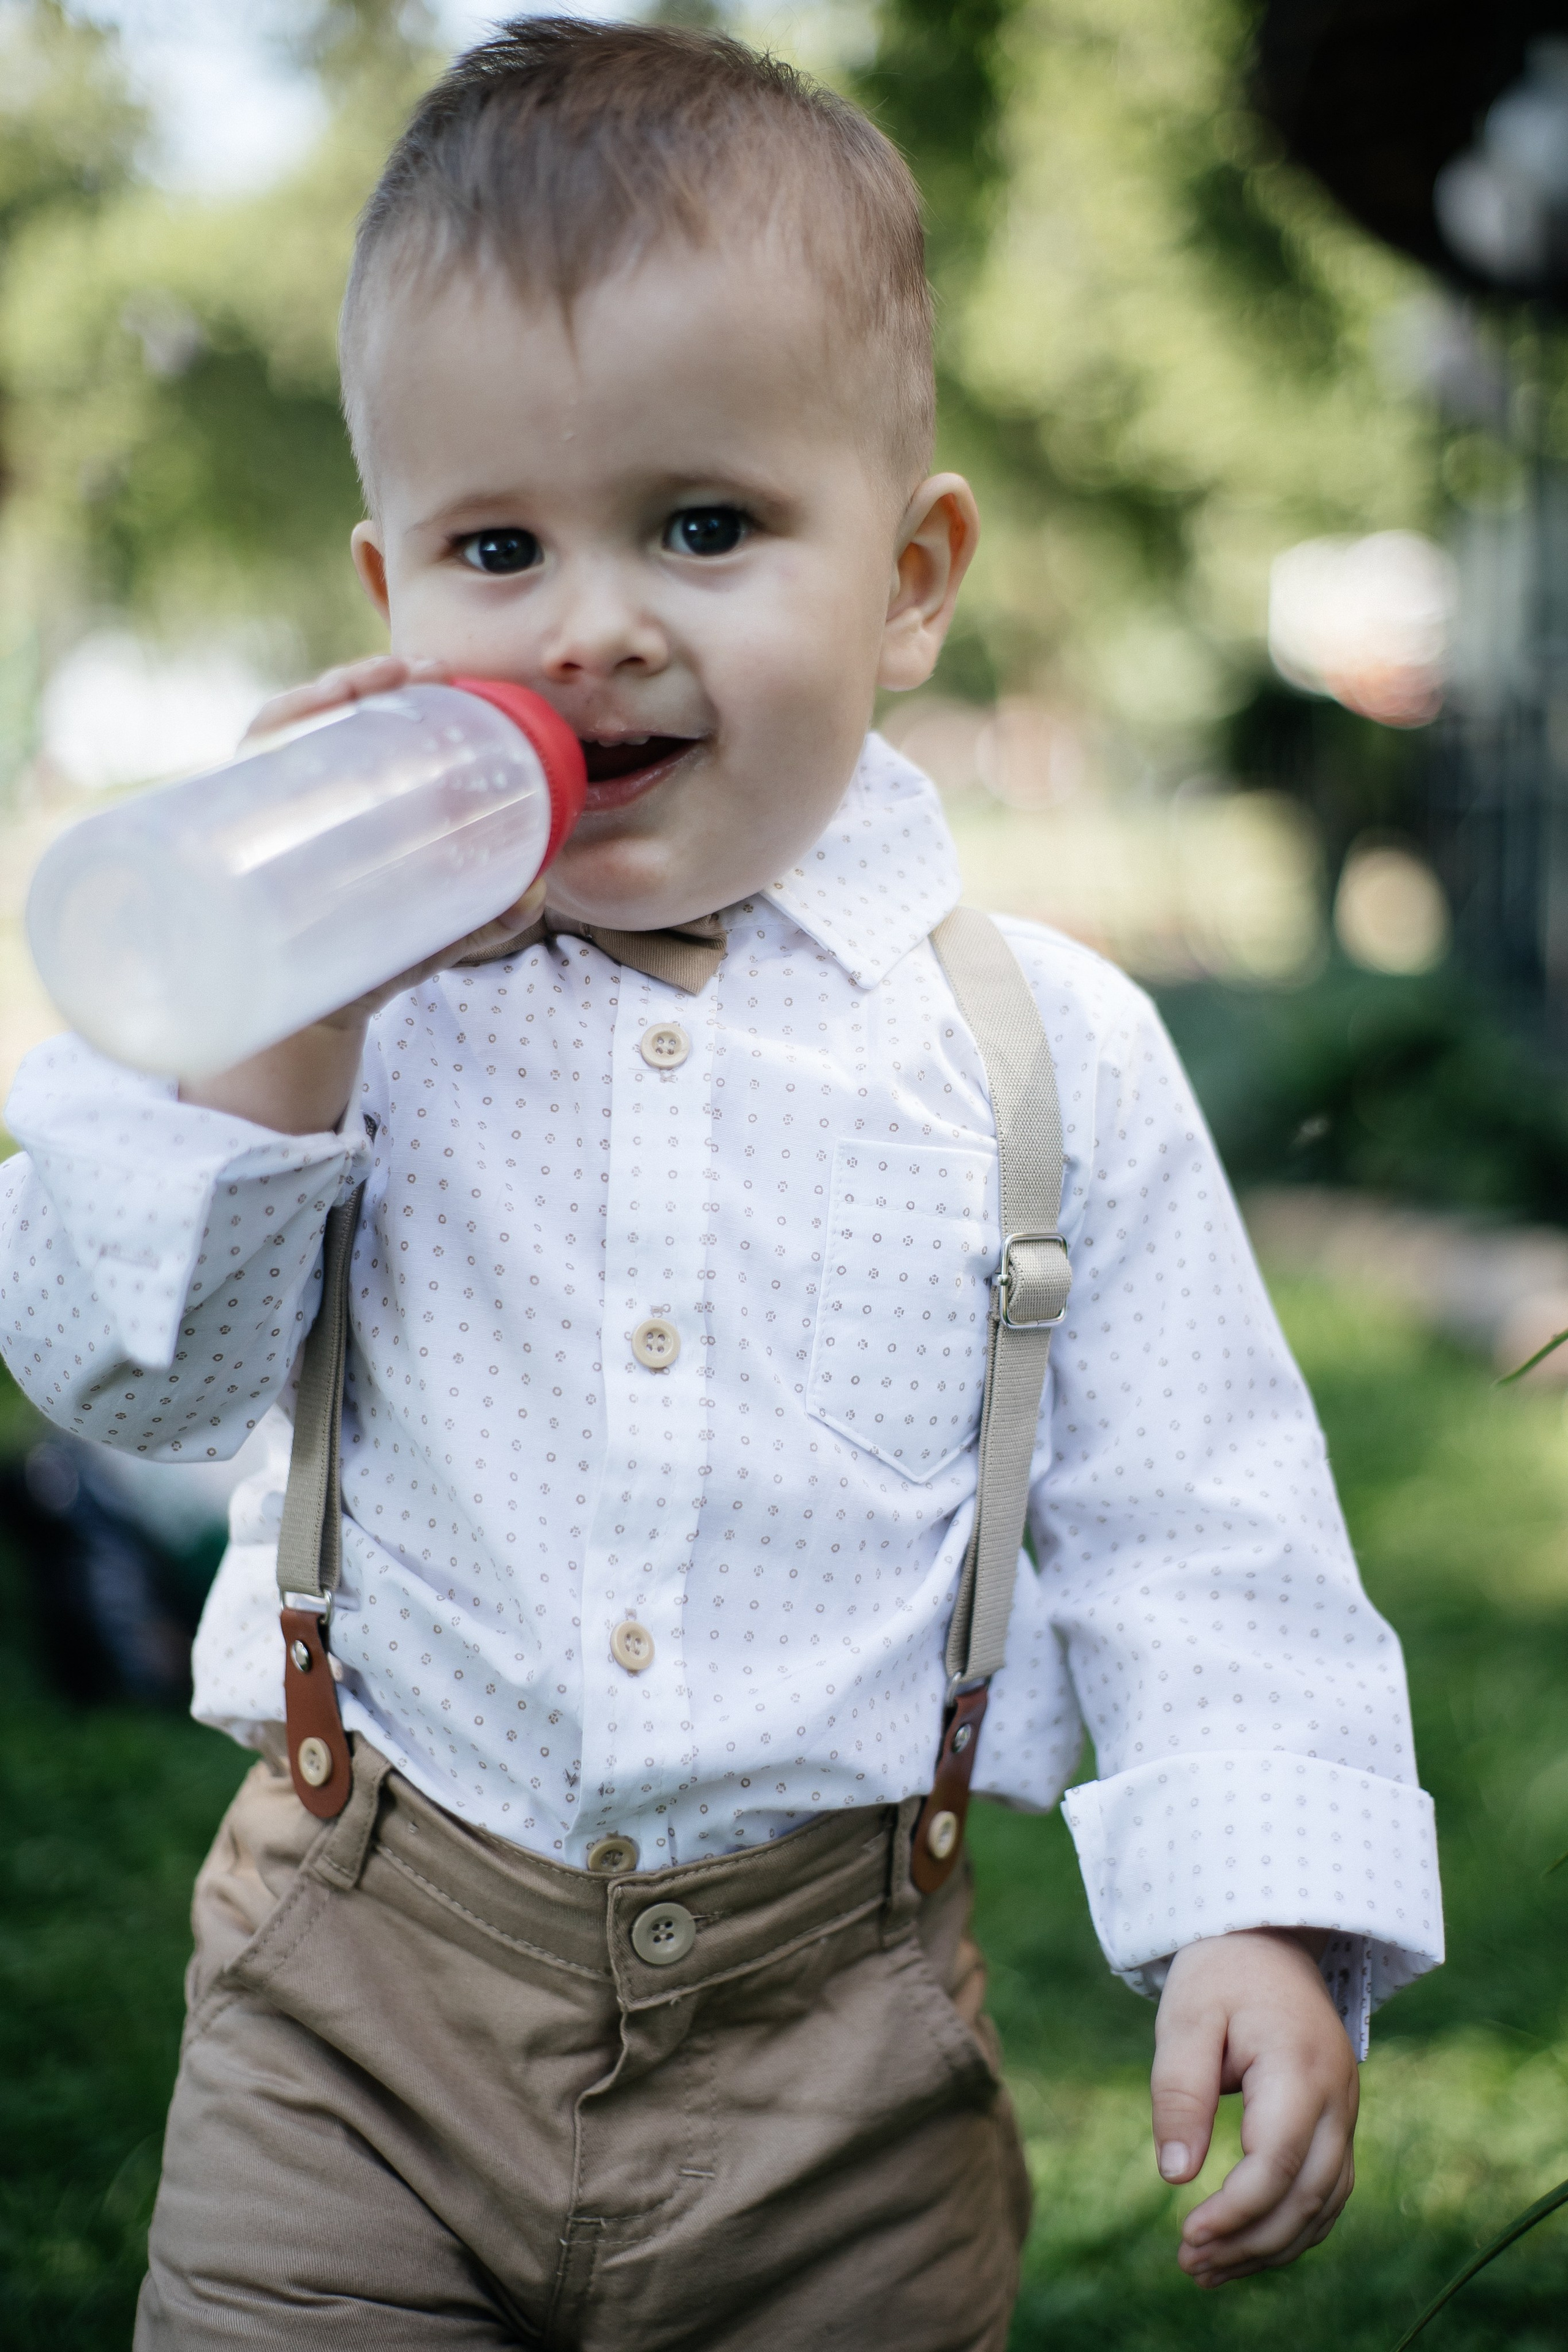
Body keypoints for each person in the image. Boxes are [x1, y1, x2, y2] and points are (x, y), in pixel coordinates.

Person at [0, 20, 1442, 2349]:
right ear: (388, 589)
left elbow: (1202, 1524)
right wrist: (278, 1026)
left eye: (702, 526)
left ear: (910, 578)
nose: (593, 624)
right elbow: (127, 1382)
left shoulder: (1041, 1051)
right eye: (497, 548)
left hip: (839, 2063)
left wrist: (1262, 1908)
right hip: (362, 1994)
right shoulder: (344, 1007)